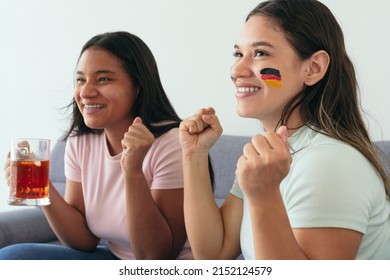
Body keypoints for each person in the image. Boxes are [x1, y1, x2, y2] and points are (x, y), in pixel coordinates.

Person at [179, 0, 390, 260]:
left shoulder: (329, 164)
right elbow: (214, 254)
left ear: (313, 68)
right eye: (238, 54)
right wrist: (194, 156)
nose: (237, 70)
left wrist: (264, 195)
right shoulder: (269, 155)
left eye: (260, 53)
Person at [2, 31, 191, 260]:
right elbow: (83, 240)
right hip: (112, 259)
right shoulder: (80, 141)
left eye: (103, 79)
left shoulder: (172, 143)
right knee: (14, 258)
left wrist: (132, 171)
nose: (86, 92)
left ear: (137, 87)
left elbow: (156, 257)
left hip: (168, 268)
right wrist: (43, 188)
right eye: (81, 79)